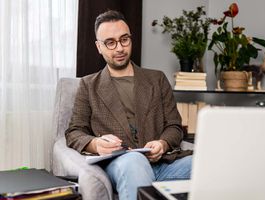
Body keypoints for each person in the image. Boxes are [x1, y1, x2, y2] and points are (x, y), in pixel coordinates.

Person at [65, 10, 192, 200]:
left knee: (206, 163)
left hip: (165, 164)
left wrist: (162, 144)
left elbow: (174, 126)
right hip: (121, 163)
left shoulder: (156, 79)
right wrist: (95, 144)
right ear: (99, 47)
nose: (119, 48)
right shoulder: (88, 85)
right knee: (133, 161)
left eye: (124, 39)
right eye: (110, 42)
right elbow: (74, 132)